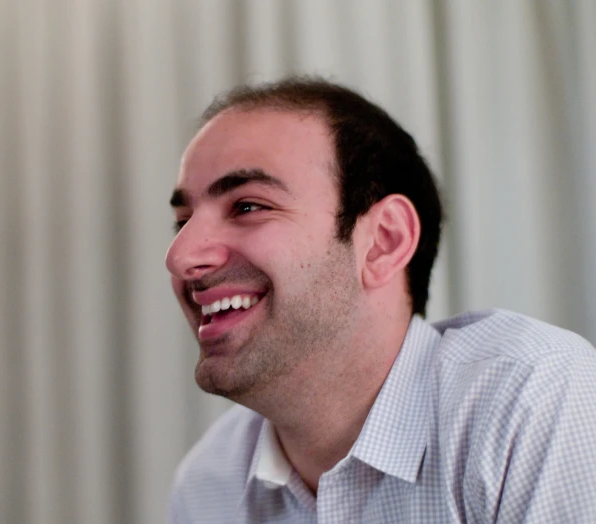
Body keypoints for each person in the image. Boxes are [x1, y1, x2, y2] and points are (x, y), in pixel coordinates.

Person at [164, 77, 596, 522]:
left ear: (383, 242)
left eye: (248, 206)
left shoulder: (530, 401)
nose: (180, 257)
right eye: (182, 221)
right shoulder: (207, 482)